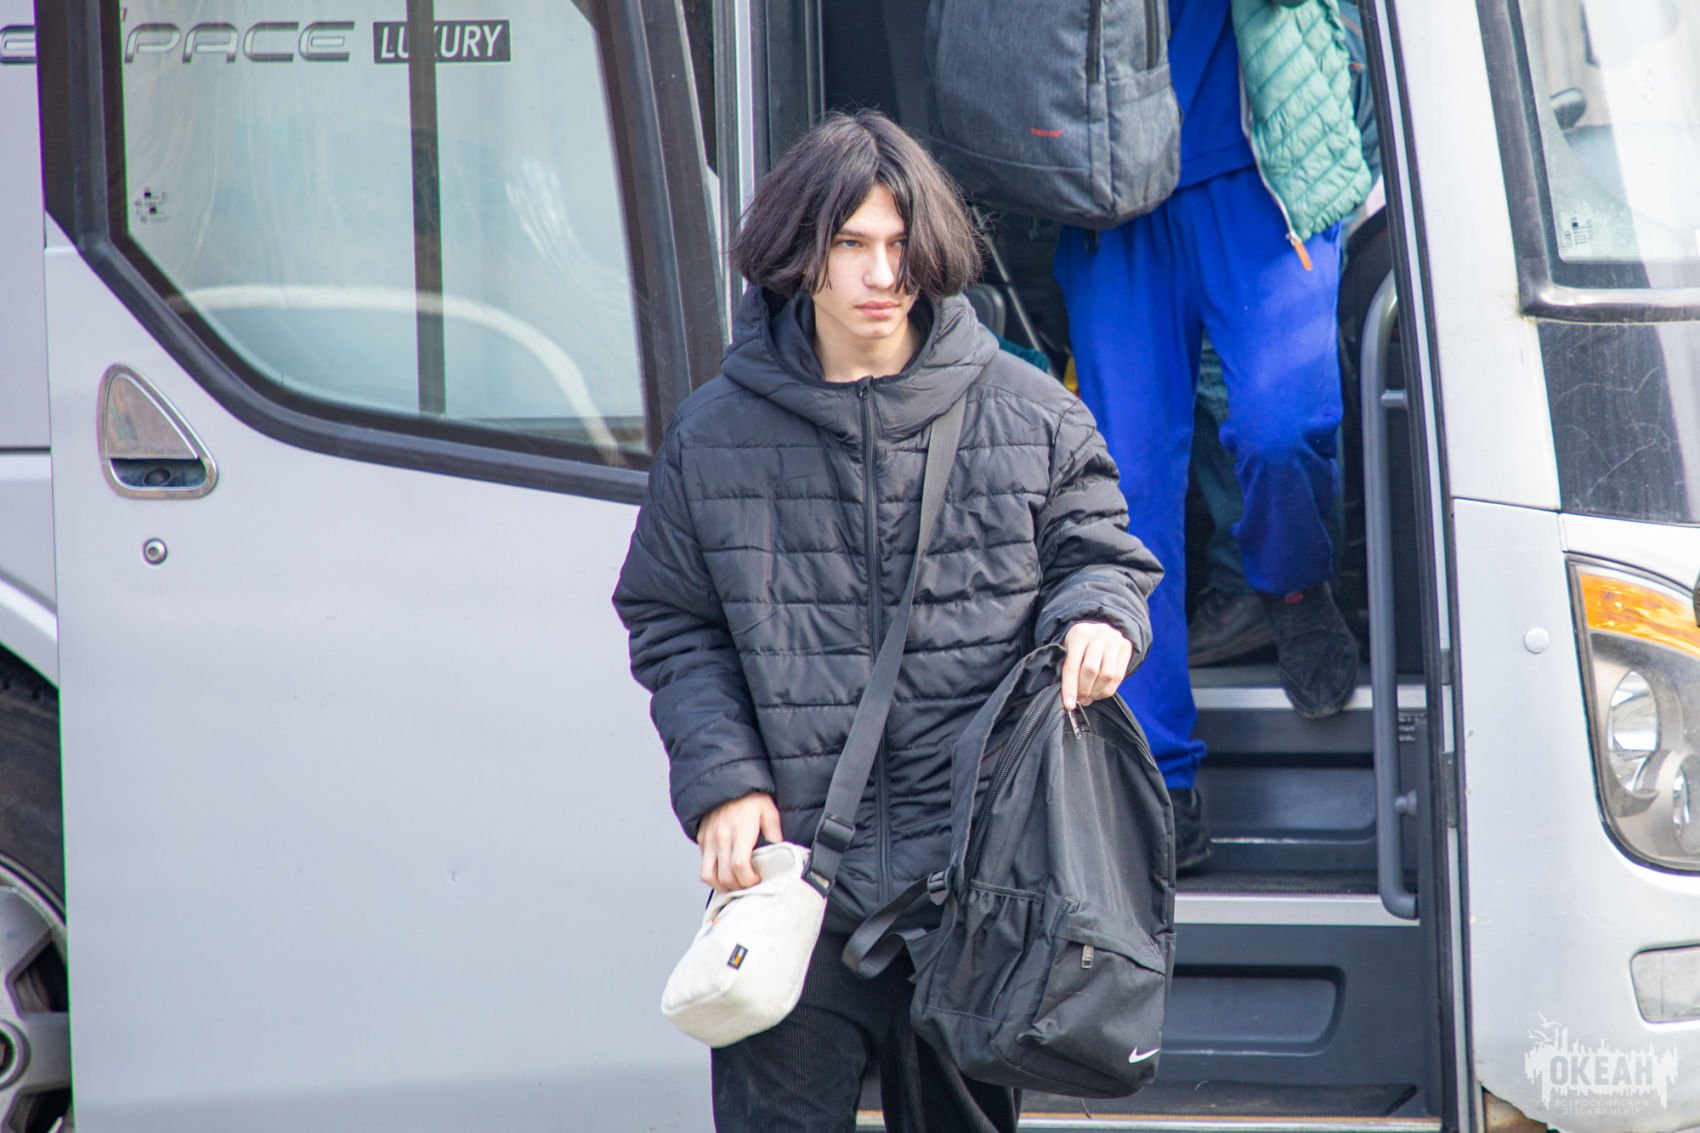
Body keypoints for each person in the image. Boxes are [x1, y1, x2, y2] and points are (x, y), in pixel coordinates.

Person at [613, 109, 1162, 1132]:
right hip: (792, 877)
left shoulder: (1032, 413)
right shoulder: (712, 433)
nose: (883, 274)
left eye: (902, 245)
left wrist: (1100, 616)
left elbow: (1100, 553)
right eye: (851, 244)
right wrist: (723, 779)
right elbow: (672, 620)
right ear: (800, 252)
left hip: (974, 885)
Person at [1054, 0, 1372, 870]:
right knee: (1125, 487)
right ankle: (1159, 773)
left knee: (1282, 426)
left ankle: (1294, 587)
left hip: (1260, 161)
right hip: (1108, 180)